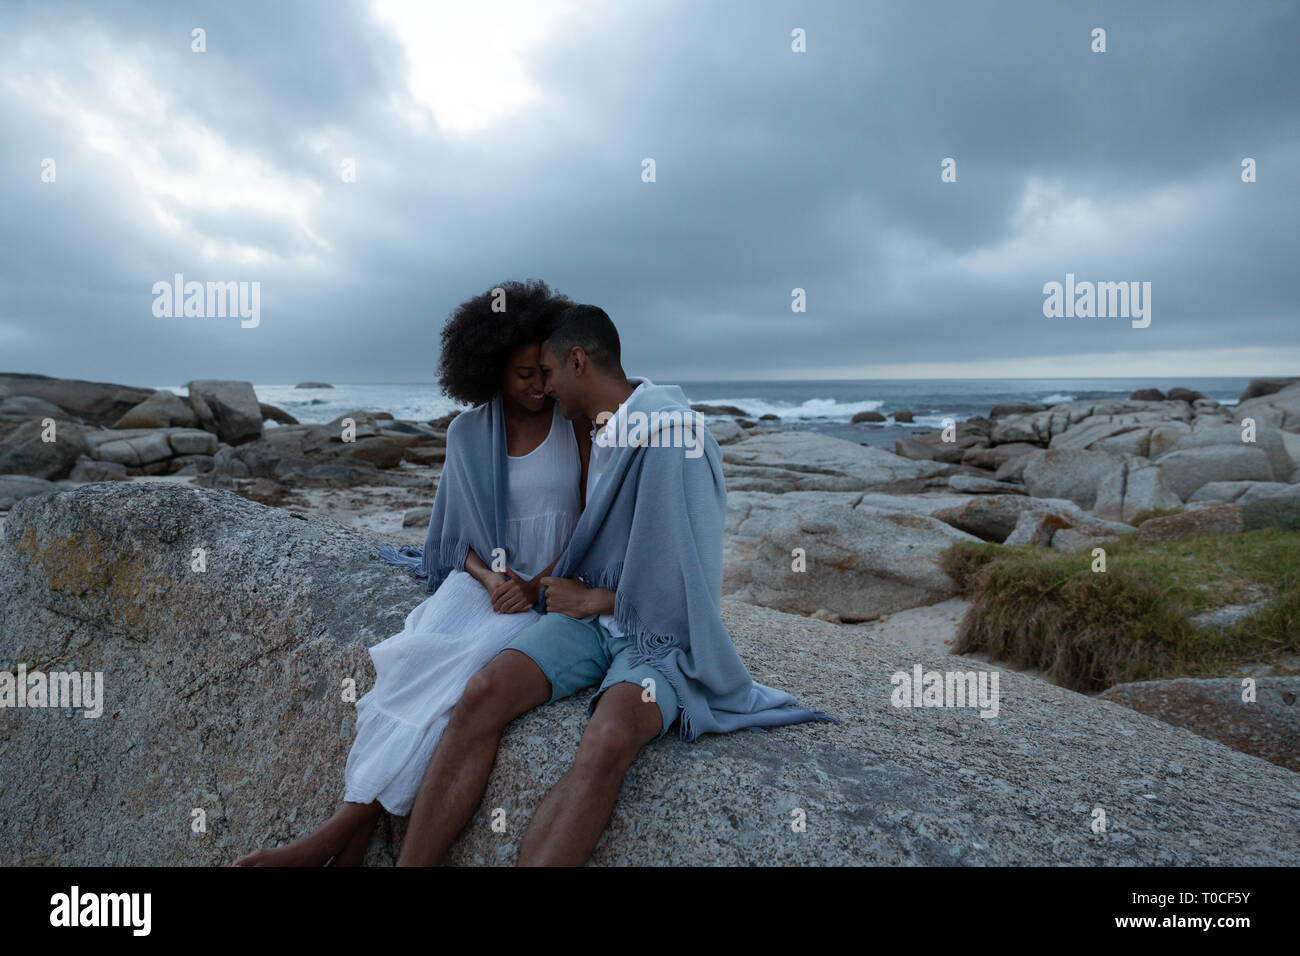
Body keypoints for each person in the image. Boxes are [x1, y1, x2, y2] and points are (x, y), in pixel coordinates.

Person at [395, 303, 833, 867]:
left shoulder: (674, 438)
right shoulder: (596, 433)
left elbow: (693, 581)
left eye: (549, 374)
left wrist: (599, 598)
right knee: (482, 694)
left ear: (577, 362)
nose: (545, 389)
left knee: (607, 740)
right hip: (587, 626)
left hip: (658, 639)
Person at [234, 279, 587, 866]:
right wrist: (489, 578)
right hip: (488, 588)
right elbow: (452, 539)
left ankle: (329, 843)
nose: (538, 385)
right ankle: (345, 844)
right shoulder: (468, 433)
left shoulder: (572, 425)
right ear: (491, 370)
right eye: (523, 373)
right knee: (405, 670)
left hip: (547, 592)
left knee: (454, 683)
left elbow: (589, 524)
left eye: (543, 370)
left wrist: (535, 582)